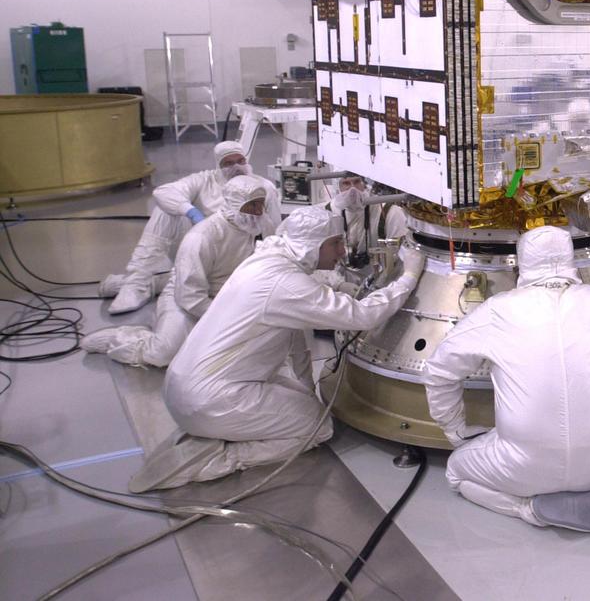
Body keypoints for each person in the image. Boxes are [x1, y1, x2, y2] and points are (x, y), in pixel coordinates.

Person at [424, 226, 590, 564]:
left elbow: (438, 370)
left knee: (456, 472)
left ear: (522, 263)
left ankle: (531, 509)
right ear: (571, 259)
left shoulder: (497, 311)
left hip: (522, 469)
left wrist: (455, 431)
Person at [127, 206, 424, 492]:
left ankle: (219, 431)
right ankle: (218, 459)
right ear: (311, 245)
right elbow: (362, 316)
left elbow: (295, 341)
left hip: (185, 385)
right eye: (335, 244)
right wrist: (409, 276)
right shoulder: (286, 284)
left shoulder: (267, 261)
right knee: (317, 428)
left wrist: (307, 391)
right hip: (209, 399)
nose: (342, 252)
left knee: (307, 406)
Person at [82, 176, 270, 368]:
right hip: (186, 300)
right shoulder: (202, 237)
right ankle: (121, 338)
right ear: (233, 204)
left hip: (226, 294)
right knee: (164, 353)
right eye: (251, 206)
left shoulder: (257, 225)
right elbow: (189, 295)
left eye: (260, 205)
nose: (257, 212)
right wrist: (223, 317)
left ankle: (148, 283)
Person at [100, 141, 280, 315]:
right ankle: (137, 280)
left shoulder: (263, 187)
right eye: (229, 163)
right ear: (218, 165)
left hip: (237, 252)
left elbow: (273, 231)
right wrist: (191, 212)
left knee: (208, 281)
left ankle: (148, 284)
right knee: (165, 210)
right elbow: (163, 192)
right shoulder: (204, 180)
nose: (237, 167)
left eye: (241, 161)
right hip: (198, 248)